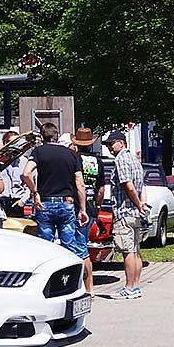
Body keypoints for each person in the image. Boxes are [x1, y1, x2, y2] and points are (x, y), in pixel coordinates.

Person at [25, 123, 90, 275]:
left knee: (46, 246)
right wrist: (82, 209)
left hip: (45, 203)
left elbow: (26, 173)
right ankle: (70, 278)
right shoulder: (71, 154)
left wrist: (35, 192)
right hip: (66, 202)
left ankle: (47, 277)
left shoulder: (38, 152)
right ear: (57, 136)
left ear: (42, 138)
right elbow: (80, 183)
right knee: (69, 246)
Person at [103, 129, 147, 299]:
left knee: (127, 251)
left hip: (124, 211)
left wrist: (137, 203)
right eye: (107, 145)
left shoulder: (121, 159)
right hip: (135, 213)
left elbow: (128, 185)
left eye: (111, 144)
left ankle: (129, 287)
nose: (109, 147)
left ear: (121, 143)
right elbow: (142, 186)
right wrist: (142, 205)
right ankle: (135, 286)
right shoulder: (135, 160)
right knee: (135, 250)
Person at [71, 127, 103, 296]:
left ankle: (79, 287)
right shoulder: (98, 161)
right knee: (83, 246)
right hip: (90, 207)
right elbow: (101, 189)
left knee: (76, 248)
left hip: (76, 207)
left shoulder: (74, 158)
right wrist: (97, 206)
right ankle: (90, 288)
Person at [0, 130, 30, 217]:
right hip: (1, 202)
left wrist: (23, 201)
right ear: (6, 143)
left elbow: (28, 183)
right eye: (14, 142)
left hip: (17, 202)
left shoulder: (24, 161)